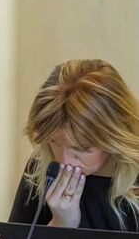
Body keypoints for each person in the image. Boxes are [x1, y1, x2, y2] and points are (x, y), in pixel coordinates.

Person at [9, 59, 139, 232]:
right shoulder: (41, 167)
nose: (65, 161)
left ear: (114, 137)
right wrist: (59, 226)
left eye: (81, 149)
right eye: (54, 142)